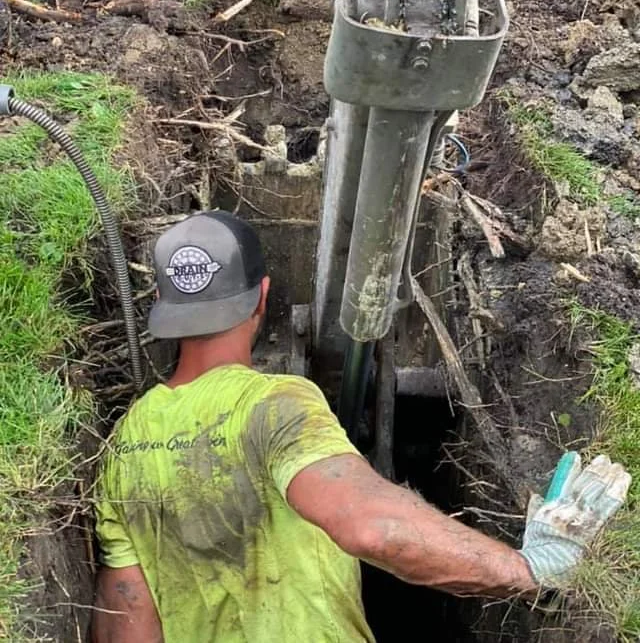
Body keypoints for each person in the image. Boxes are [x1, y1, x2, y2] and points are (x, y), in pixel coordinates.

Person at [92, 210, 631, 643]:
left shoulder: (125, 442)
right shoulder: (275, 403)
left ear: (164, 308)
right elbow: (373, 528)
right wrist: (530, 568)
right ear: (262, 295)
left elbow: (127, 615)